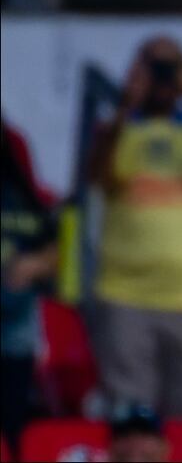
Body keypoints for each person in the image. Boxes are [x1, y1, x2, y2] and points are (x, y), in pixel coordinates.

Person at [87, 36, 182, 418]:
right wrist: (126, 103)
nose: (161, 78)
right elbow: (96, 175)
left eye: (170, 67)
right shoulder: (118, 130)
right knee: (129, 420)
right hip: (126, 296)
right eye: (153, 66)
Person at [1, 116, 58, 451]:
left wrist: (35, 263)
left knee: (12, 426)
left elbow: (55, 249)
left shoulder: (21, 191)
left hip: (16, 331)